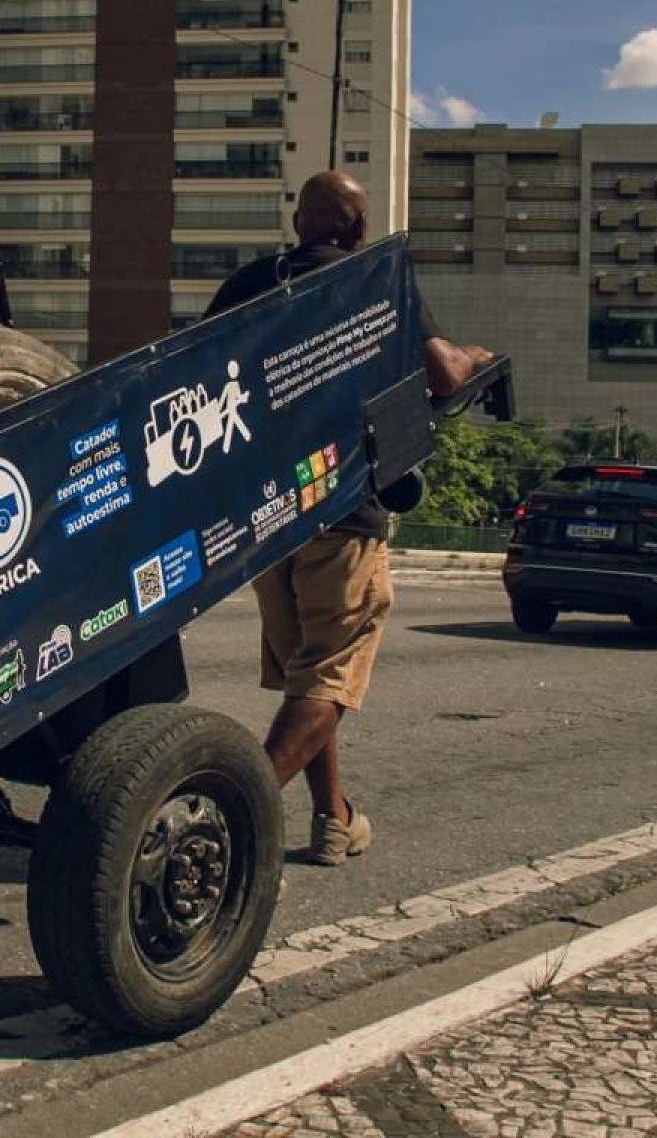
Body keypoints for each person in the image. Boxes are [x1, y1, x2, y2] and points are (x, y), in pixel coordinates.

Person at [203, 170, 494, 866]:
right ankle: (229, 821)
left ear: (297, 220)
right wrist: (475, 355)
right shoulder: (372, 281)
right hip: (342, 508)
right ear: (359, 230)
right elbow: (444, 376)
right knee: (330, 676)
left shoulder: (251, 283)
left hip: (267, 517)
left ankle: (333, 819)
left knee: (312, 674)